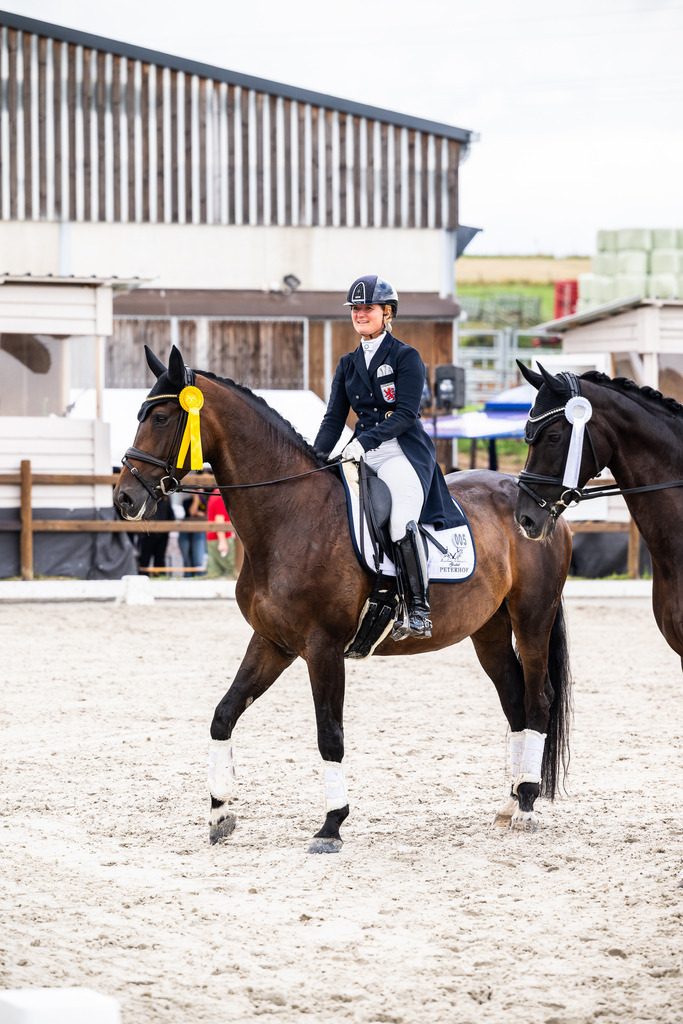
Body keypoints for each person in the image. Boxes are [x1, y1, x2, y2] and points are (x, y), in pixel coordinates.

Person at [314, 275, 463, 638]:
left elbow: (406, 414)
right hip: (360, 453)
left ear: (387, 312)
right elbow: (334, 418)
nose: (360, 314)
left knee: (400, 523)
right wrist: (314, 459)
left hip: (401, 452)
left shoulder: (405, 356)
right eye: (355, 309)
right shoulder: (347, 364)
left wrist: (363, 443)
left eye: (367, 308)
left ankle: (417, 607)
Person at [177, 486, 208, 577]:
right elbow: (192, 512)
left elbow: (207, 515)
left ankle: (200, 576)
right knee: (186, 558)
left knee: (198, 558)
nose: (198, 490)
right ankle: (188, 577)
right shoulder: (186, 502)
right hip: (186, 531)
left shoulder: (206, 501)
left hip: (200, 530)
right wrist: (196, 498)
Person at [205, 488, 235, 578]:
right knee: (233, 569)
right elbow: (219, 520)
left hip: (212, 538)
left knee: (214, 573)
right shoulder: (220, 497)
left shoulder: (214, 494)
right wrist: (223, 542)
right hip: (222, 538)